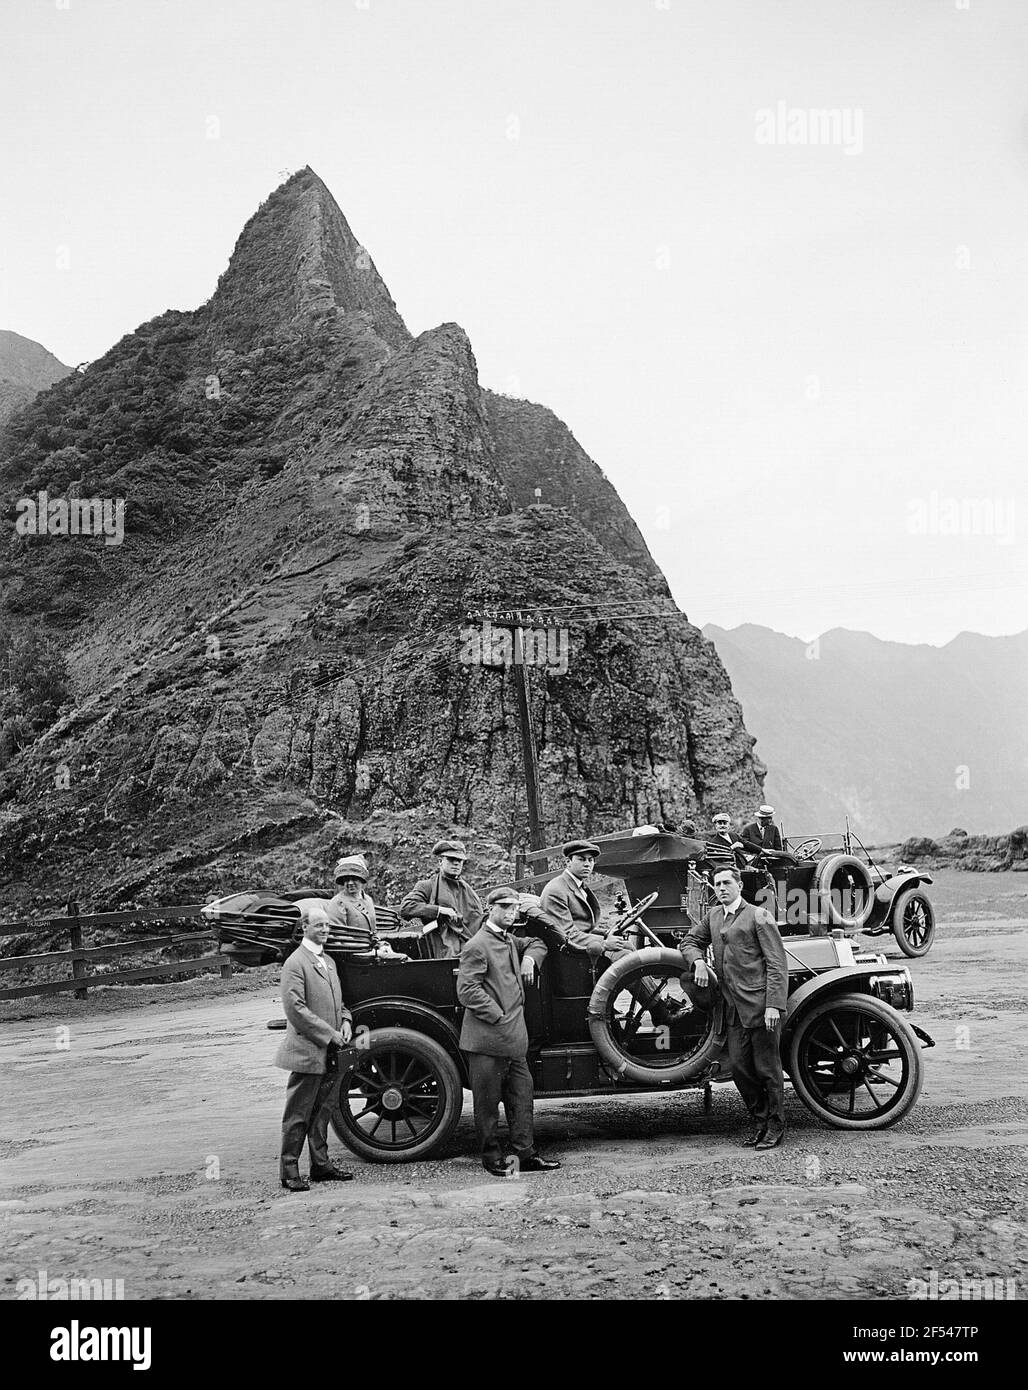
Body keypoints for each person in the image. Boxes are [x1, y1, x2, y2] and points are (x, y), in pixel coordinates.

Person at [680, 864, 789, 1150]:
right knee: (740, 1068)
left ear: (739, 886)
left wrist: (774, 1006)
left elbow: (777, 965)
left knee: (768, 1069)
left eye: (727, 883)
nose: (722, 888)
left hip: (760, 1007)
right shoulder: (714, 916)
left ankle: (776, 1126)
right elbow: (689, 941)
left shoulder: (759, 916)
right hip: (732, 1010)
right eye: (717, 884)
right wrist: (698, 961)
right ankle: (760, 1121)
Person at [456, 887, 561, 1176]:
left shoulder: (510, 940)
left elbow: (538, 942)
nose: (510, 912)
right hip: (488, 1041)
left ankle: (525, 1155)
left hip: (514, 1042)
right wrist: (498, 1016)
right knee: (488, 1106)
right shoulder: (477, 945)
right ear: (491, 909)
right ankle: (492, 1160)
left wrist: (529, 959)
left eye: (514, 908)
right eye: (504, 907)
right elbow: (467, 991)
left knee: (522, 1100)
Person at [539, 839, 691, 1027]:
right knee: (624, 956)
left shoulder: (577, 886)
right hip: (571, 958)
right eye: (581, 859)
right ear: (568, 862)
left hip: (581, 948)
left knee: (627, 946)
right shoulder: (557, 890)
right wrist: (605, 944)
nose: (587, 864)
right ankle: (658, 1010)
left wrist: (607, 932)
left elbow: (583, 926)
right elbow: (567, 935)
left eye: (591, 860)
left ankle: (656, 1002)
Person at [275, 906, 355, 1190]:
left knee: (323, 1110)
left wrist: (345, 1021)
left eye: (328, 927)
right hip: (308, 1050)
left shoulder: (328, 961)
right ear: (305, 927)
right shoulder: (295, 963)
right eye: (319, 926)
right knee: (298, 1114)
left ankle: (321, 1166)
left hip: (330, 1048)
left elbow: (339, 1003)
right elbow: (295, 1009)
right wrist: (329, 1034)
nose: (325, 930)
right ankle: (289, 1172)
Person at [399, 839, 483, 958]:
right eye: (451, 859)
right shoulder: (428, 886)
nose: (456, 863)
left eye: (459, 860)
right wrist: (439, 910)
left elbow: (477, 919)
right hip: (440, 948)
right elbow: (406, 908)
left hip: (469, 947)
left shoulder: (467, 890)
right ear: (440, 861)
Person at [296, 854, 378, 954]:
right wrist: (366, 949)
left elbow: (374, 930)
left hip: (370, 950)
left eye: (354, 879)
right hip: (351, 952)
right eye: (346, 880)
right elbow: (339, 936)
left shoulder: (368, 900)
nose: (350, 883)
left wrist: (378, 944)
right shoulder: (339, 902)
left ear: (362, 880)